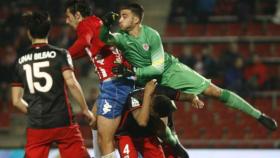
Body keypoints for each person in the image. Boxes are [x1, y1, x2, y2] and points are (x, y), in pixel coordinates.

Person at [100, 3, 277, 131]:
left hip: (171, 71)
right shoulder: (121, 37)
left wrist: (133, 71)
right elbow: (105, 39)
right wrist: (105, 25)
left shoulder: (151, 35)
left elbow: (158, 68)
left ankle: (259, 115)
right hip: (148, 82)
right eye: (119, 16)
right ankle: (174, 144)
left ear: (136, 19)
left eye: (124, 16)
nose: (120, 19)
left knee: (215, 92)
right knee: (154, 119)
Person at [10, 11, 95, 158]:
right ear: (48, 31)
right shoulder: (60, 54)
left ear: (29, 33)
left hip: (38, 125)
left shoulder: (20, 60)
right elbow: (72, 84)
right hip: (63, 121)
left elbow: (16, 101)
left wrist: (34, 112)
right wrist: (85, 109)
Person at [64, 1, 134, 157]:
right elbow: (89, 48)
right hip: (118, 82)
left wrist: (62, 56)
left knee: (105, 139)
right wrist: (68, 57)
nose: (66, 21)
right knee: (94, 121)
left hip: (114, 84)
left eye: (68, 17)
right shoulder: (97, 23)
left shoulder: (85, 24)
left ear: (77, 15)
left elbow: (84, 42)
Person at [116, 79, 203, 158]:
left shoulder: (164, 92)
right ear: (152, 109)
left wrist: (194, 98)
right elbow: (142, 122)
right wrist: (147, 94)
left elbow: (184, 96)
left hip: (147, 134)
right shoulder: (136, 96)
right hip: (126, 134)